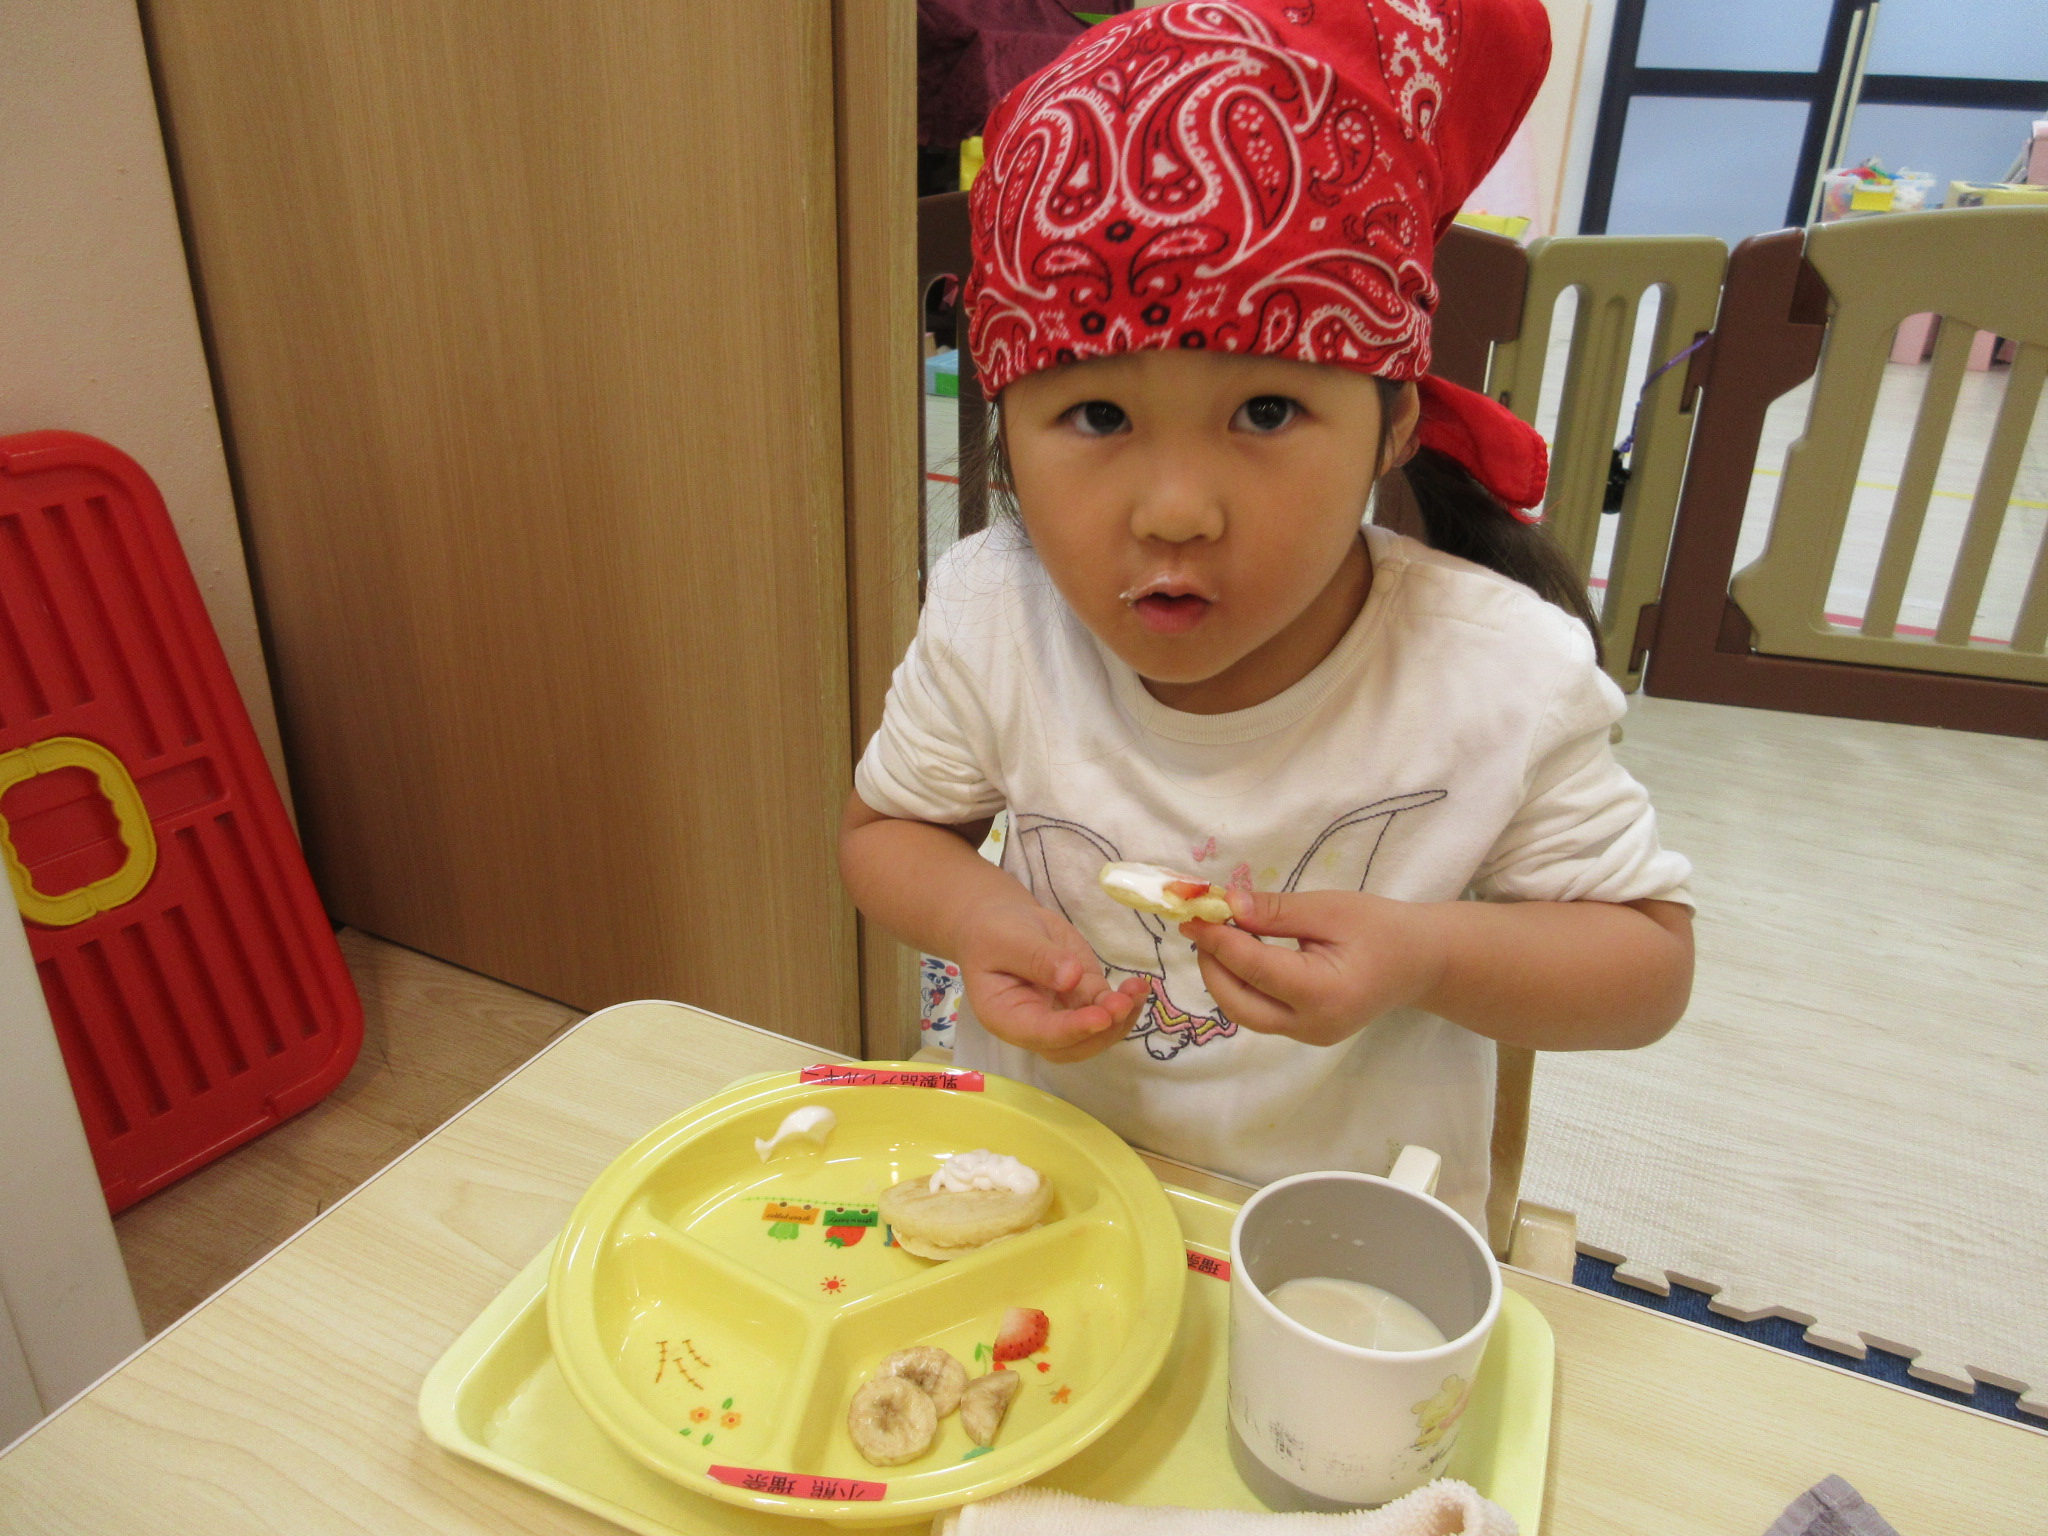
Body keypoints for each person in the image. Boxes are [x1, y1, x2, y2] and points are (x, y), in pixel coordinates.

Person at [840, 0, 1694, 1229]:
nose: (1176, 511)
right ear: (1004, 427)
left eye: (1264, 413)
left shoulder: (1495, 671)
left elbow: (1647, 969)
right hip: (1049, 1202)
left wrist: (1426, 956)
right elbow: (883, 835)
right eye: (1096, 417)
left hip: (1341, 1251)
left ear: (1391, 423)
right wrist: (977, 916)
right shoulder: (993, 609)